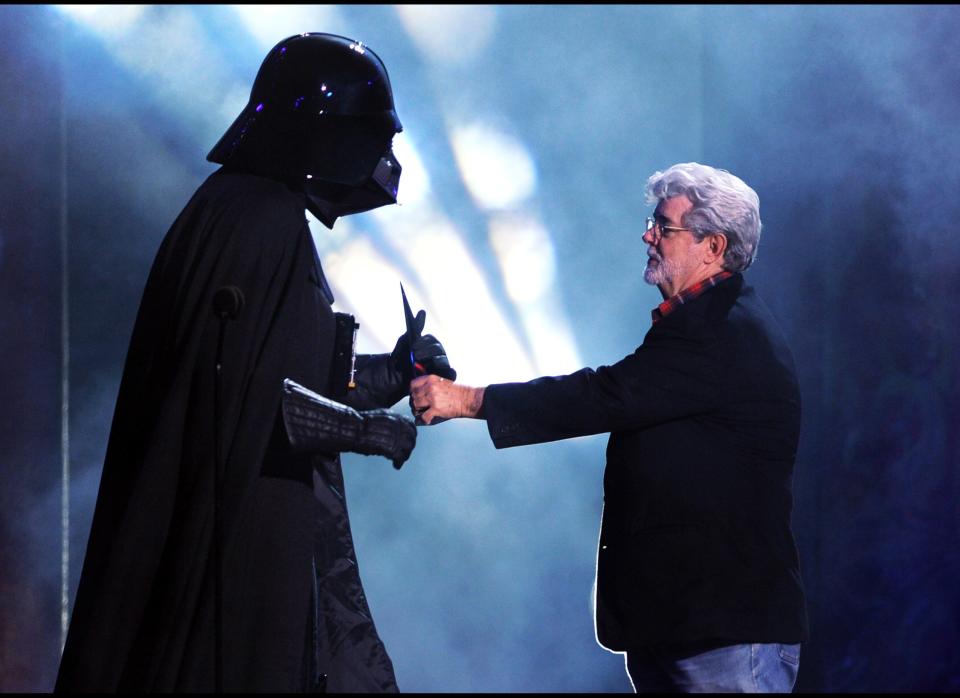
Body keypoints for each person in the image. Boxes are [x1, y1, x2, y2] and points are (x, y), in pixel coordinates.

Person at [55, 33, 455, 693]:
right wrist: (375, 431)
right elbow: (265, 398)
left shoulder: (251, 214)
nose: (383, 162)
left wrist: (394, 371)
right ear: (325, 132)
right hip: (230, 541)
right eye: (370, 136)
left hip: (251, 525)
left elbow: (278, 366)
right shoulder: (255, 221)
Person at [410, 163, 808, 692]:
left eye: (664, 227)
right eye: (653, 222)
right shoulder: (704, 323)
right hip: (685, 625)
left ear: (713, 247)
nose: (648, 235)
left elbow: (605, 396)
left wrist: (469, 400)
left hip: (723, 636)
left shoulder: (723, 330)